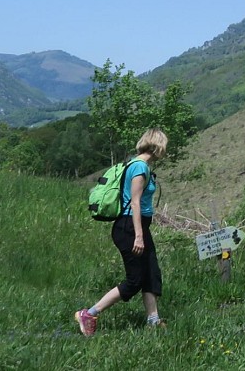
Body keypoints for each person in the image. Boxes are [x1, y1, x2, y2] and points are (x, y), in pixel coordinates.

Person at [75, 127, 169, 336]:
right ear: (157, 145)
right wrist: (138, 236)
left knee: (151, 273)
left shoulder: (141, 165)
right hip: (129, 228)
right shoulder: (139, 167)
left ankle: (153, 320)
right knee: (135, 280)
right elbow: (134, 203)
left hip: (138, 227)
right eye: (164, 145)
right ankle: (89, 313)